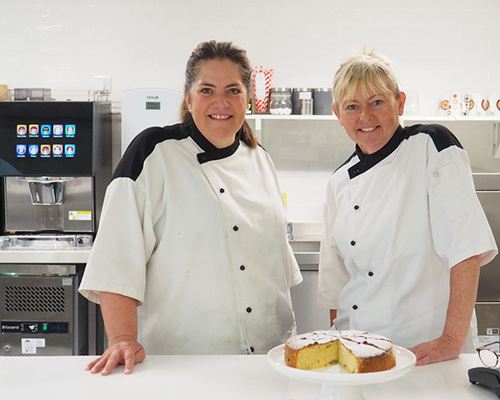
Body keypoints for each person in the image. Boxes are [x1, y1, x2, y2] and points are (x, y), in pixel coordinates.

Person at [79, 40, 302, 375]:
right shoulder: (153, 153)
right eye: (207, 90)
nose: (221, 103)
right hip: (182, 363)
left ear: (249, 98)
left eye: (233, 90)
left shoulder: (260, 158)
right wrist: (122, 337)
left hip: (269, 360)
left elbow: (275, 265)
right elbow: (117, 256)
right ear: (188, 97)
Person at [317, 50, 497, 366]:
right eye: (352, 107)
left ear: (399, 103)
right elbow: (337, 284)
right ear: (337, 113)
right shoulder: (338, 182)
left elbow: (467, 250)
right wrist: (341, 347)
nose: (365, 116)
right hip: (357, 349)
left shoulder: (430, 146)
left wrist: (452, 341)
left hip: (424, 350)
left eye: (377, 102)